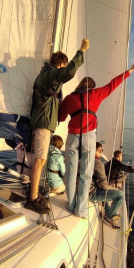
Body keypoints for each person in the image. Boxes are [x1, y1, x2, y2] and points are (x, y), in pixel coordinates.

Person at [58, 57, 134, 218]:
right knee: (86, 174)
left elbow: (60, 118)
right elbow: (113, 84)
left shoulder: (69, 98)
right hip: (88, 138)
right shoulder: (96, 94)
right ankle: (80, 209)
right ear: (92, 87)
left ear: (79, 86)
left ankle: (70, 204)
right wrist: (130, 71)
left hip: (72, 137)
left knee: (70, 172)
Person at [25, 39, 90, 214]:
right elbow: (67, 73)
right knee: (40, 160)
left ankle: (34, 193)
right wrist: (81, 51)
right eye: (64, 65)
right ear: (60, 64)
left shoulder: (47, 76)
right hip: (43, 123)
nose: (64, 68)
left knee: (41, 160)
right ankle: (32, 199)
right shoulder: (51, 74)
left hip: (44, 122)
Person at [90, 142, 123, 229]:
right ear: (100, 151)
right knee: (120, 195)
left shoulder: (83, 158)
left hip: (82, 189)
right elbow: (104, 186)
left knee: (104, 191)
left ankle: (109, 212)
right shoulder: (98, 163)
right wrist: (115, 188)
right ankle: (109, 217)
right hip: (91, 194)